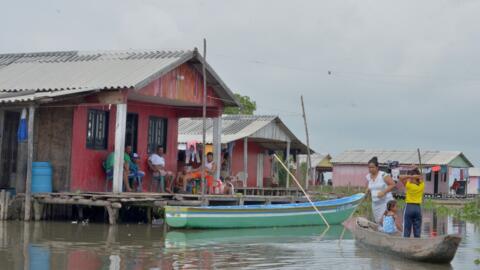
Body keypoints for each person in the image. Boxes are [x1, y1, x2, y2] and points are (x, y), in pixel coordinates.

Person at [366, 157, 396, 224]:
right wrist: (367, 191)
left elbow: (393, 184)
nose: (370, 169)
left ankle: (394, 233)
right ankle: (381, 233)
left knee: (386, 221)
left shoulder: (383, 175)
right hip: (375, 203)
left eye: (372, 167)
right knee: (378, 222)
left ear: (377, 167)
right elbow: (370, 186)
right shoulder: (368, 177)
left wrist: (383, 192)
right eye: (369, 168)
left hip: (386, 202)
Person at [400, 167, 424, 238]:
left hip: (409, 208)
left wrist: (410, 176)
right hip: (418, 208)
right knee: (417, 230)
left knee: (406, 229)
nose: (409, 179)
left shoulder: (408, 185)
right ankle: (417, 243)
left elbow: (400, 178)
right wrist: (416, 175)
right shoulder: (422, 185)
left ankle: (406, 243)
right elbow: (421, 177)